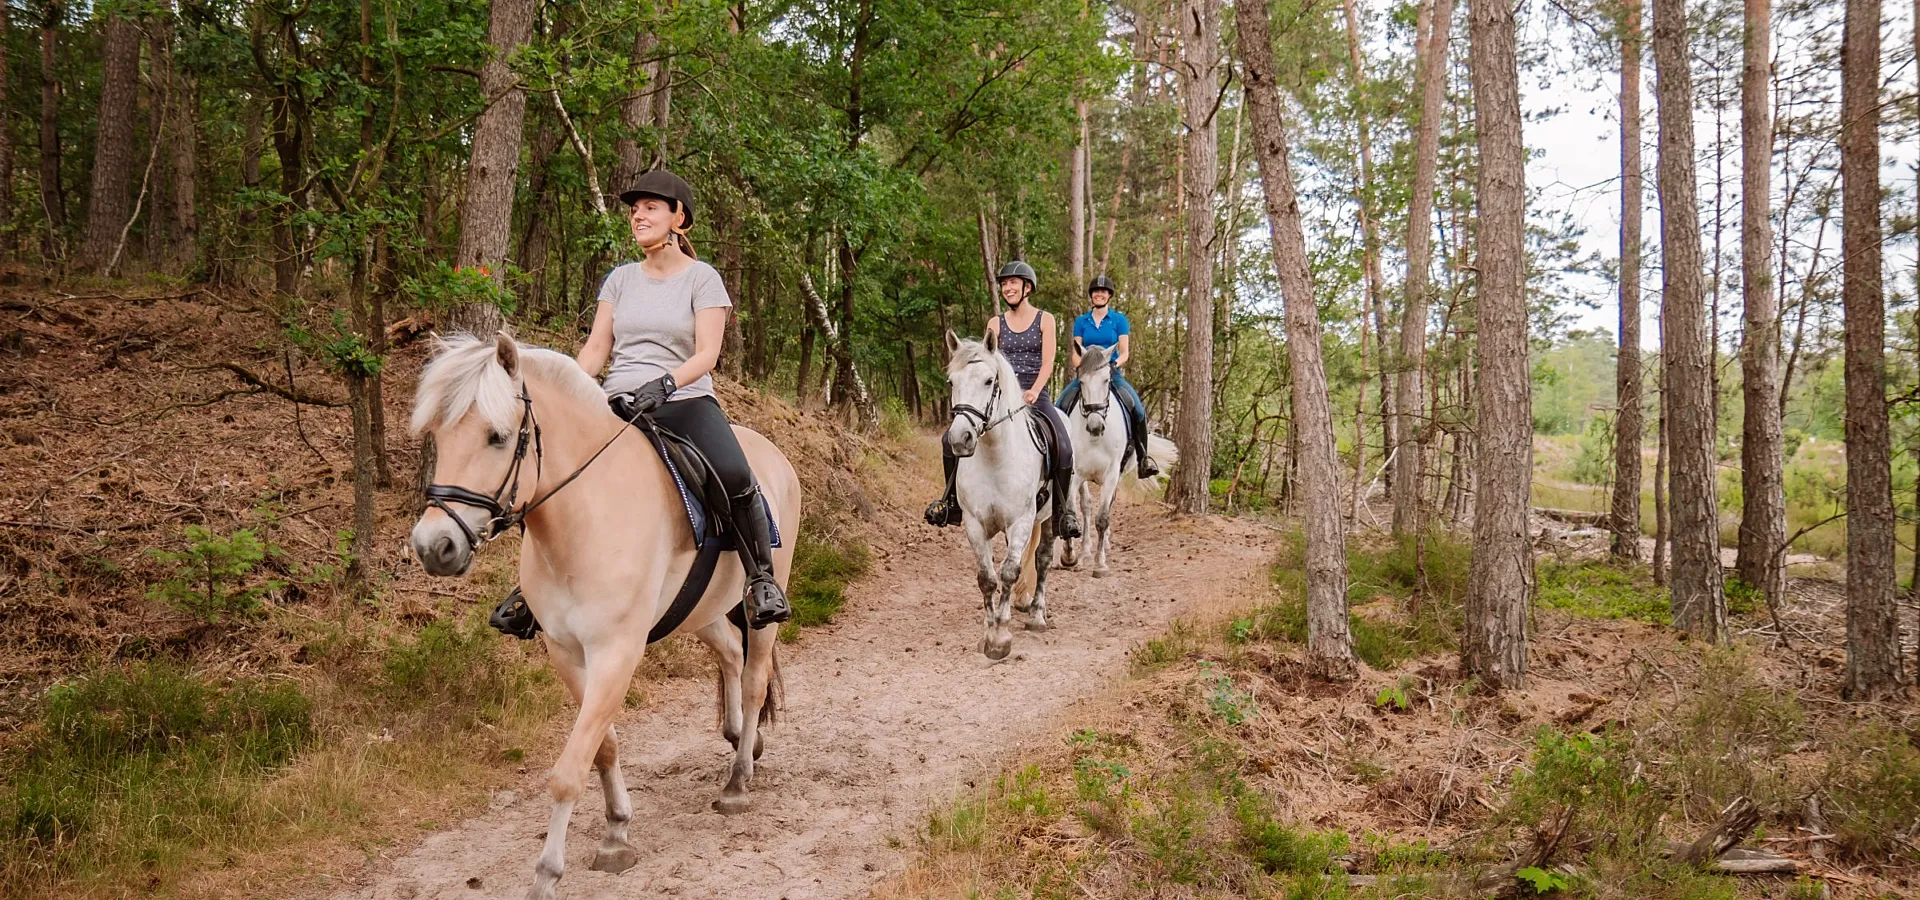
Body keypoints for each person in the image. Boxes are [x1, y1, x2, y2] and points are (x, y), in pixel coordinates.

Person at [507, 169, 790, 632]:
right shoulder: (619, 280)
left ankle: (761, 579)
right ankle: (531, 593)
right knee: (541, 469)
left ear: (680, 218)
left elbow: (707, 353)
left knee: (737, 474)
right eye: (635, 208)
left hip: (684, 400)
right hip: (617, 404)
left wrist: (665, 385)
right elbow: (598, 349)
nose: (639, 215)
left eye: (651, 207)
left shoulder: (703, 279)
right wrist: (571, 390)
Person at [924, 261, 1083, 540]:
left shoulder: (1045, 319)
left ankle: (1062, 512)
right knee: (949, 439)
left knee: (1065, 445)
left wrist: (1034, 390)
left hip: (1035, 394)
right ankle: (951, 504)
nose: (1007, 288)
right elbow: (988, 364)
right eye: (1004, 284)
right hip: (1000, 396)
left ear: (1027, 288)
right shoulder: (994, 324)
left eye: (1013, 283)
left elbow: (1048, 362)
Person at [1057, 274, 1159, 478]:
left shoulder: (1119, 320)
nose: (1099, 294)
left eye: (1103, 292)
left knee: (1138, 410)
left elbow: (1124, 352)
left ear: (1109, 295)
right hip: (1086, 374)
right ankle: (1057, 459)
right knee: (1060, 407)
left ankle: (1143, 458)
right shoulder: (1081, 321)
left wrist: (1114, 364)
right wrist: (1082, 368)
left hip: (1111, 373)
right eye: (1096, 291)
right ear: (1091, 296)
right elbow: (1076, 353)